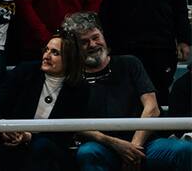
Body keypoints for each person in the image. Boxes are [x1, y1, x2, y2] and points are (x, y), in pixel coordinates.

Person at [62, 12, 192, 171]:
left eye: (96, 37)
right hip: (102, 146)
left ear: (103, 35)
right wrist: (116, 144)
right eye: (84, 42)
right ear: (74, 47)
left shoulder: (130, 63)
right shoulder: (72, 78)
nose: (93, 44)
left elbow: (152, 108)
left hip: (144, 144)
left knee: (184, 150)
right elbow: (76, 123)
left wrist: (133, 148)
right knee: (87, 153)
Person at [0, 33, 88, 171]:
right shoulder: (25, 71)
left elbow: (63, 136)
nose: (46, 56)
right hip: (9, 139)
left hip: (47, 150)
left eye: (55, 53)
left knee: (41, 146)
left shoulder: (79, 89)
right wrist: (4, 127)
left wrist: (28, 137)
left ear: (70, 59)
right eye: (46, 50)